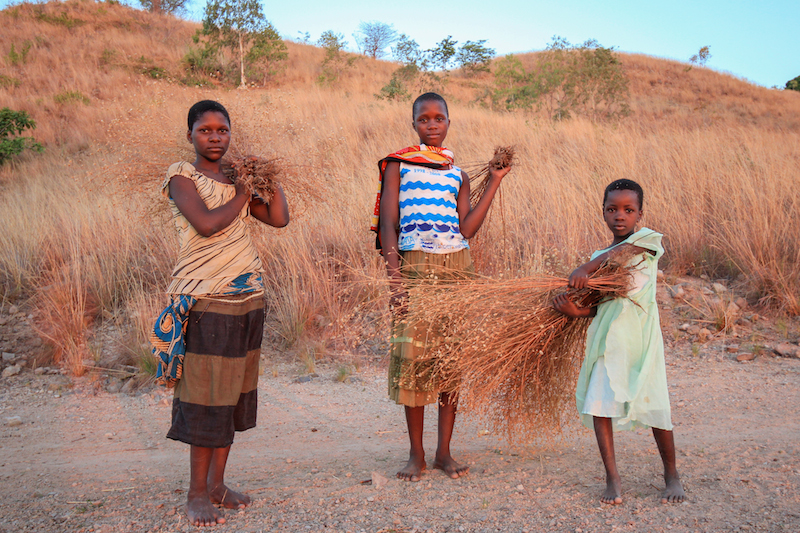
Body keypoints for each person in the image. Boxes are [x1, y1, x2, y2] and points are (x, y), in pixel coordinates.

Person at [151, 100, 289, 526]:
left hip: (248, 297)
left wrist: (268, 178)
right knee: (206, 396)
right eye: (206, 130)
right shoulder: (181, 176)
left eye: (222, 130)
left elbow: (279, 219)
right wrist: (245, 190)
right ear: (190, 133)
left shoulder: (233, 178)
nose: (215, 138)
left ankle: (217, 486)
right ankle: (196, 493)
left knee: (231, 397)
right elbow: (208, 224)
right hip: (206, 297)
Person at [375, 92, 510, 482]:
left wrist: (495, 182)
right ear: (414, 123)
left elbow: (467, 229)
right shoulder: (399, 166)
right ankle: (415, 454)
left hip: (457, 269)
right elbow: (388, 226)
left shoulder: (458, 174)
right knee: (414, 362)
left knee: (451, 362)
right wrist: (394, 282)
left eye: (439, 118)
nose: (432, 125)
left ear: (449, 122)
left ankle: (443, 453)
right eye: (424, 119)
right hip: (415, 265)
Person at [553, 179, 685, 505]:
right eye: (612, 209)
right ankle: (613, 478)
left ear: (640, 213)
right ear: (603, 212)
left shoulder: (647, 241)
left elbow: (621, 252)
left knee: (654, 404)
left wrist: (586, 266)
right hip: (607, 339)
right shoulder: (599, 256)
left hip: (640, 339)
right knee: (600, 404)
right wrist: (575, 311)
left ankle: (672, 474)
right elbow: (600, 306)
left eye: (628, 210)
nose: (620, 216)